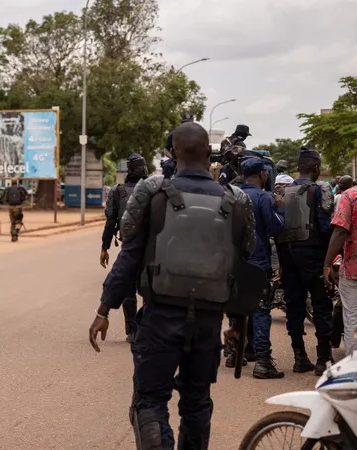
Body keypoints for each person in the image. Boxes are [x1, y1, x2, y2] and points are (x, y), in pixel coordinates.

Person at [89, 122, 255, 449]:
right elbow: (244, 264)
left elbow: (129, 259)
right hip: (208, 322)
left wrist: (104, 309)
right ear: (210, 153)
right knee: (196, 402)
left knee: (149, 401)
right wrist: (237, 323)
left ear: (172, 153)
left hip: (159, 318)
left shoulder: (153, 193)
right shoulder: (236, 200)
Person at [276, 147, 335, 375]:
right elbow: (325, 226)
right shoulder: (322, 189)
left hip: (288, 255)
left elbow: (278, 228)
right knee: (321, 304)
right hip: (313, 255)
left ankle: (299, 357)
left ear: (299, 168)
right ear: (317, 168)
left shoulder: (283, 190)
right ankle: (323, 360)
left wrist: (282, 260)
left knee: (294, 306)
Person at [238, 157, 286, 379]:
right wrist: (281, 209)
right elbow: (275, 227)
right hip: (258, 261)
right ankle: (263, 362)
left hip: (234, 262)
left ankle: (234, 354)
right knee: (260, 310)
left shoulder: (231, 195)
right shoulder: (264, 197)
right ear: (262, 175)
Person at [100, 153, 148, 344]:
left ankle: (132, 330)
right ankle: (144, 328)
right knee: (149, 289)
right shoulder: (156, 190)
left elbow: (110, 222)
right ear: (145, 169)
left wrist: (104, 247)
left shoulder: (118, 192)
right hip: (152, 248)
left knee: (129, 290)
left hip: (128, 247)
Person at [326, 180, 357, 355]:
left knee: (352, 316)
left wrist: (327, 263)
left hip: (353, 269)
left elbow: (339, 232)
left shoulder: (350, 196)